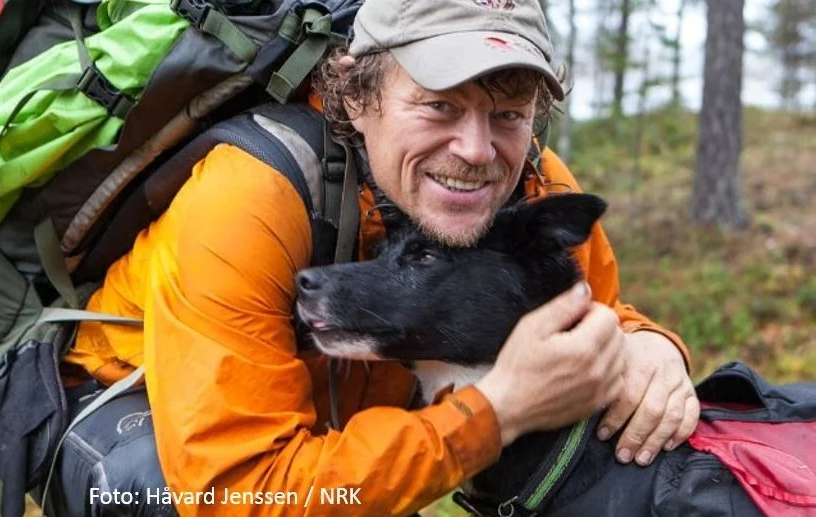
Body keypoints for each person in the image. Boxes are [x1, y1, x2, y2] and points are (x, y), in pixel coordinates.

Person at [52, 0, 700, 515]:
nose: (476, 149)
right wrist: (495, 410)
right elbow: (239, 494)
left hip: (331, 429)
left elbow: (597, 314)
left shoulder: (526, 183)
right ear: (356, 95)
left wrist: (650, 346)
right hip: (138, 419)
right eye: (439, 104)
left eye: (507, 113)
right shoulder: (246, 197)